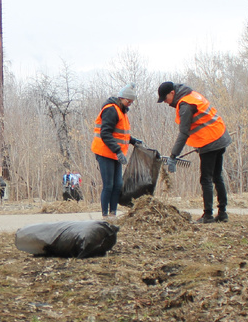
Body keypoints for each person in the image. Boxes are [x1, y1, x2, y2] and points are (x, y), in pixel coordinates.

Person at [157, 81, 230, 223]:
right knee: (217, 176)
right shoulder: (191, 95)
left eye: (165, 99)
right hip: (220, 136)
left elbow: (184, 133)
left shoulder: (185, 105)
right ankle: (222, 213)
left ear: (172, 93)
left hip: (210, 141)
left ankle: (208, 215)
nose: (165, 102)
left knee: (206, 178)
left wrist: (173, 156)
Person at [91, 83, 143, 219]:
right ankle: (105, 216)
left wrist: (133, 141)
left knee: (118, 185)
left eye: (131, 102)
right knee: (108, 185)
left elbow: (120, 134)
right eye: (128, 101)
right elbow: (106, 133)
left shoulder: (122, 111)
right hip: (105, 152)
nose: (130, 104)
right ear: (121, 98)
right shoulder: (111, 110)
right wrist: (118, 151)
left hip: (115, 153)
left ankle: (113, 214)